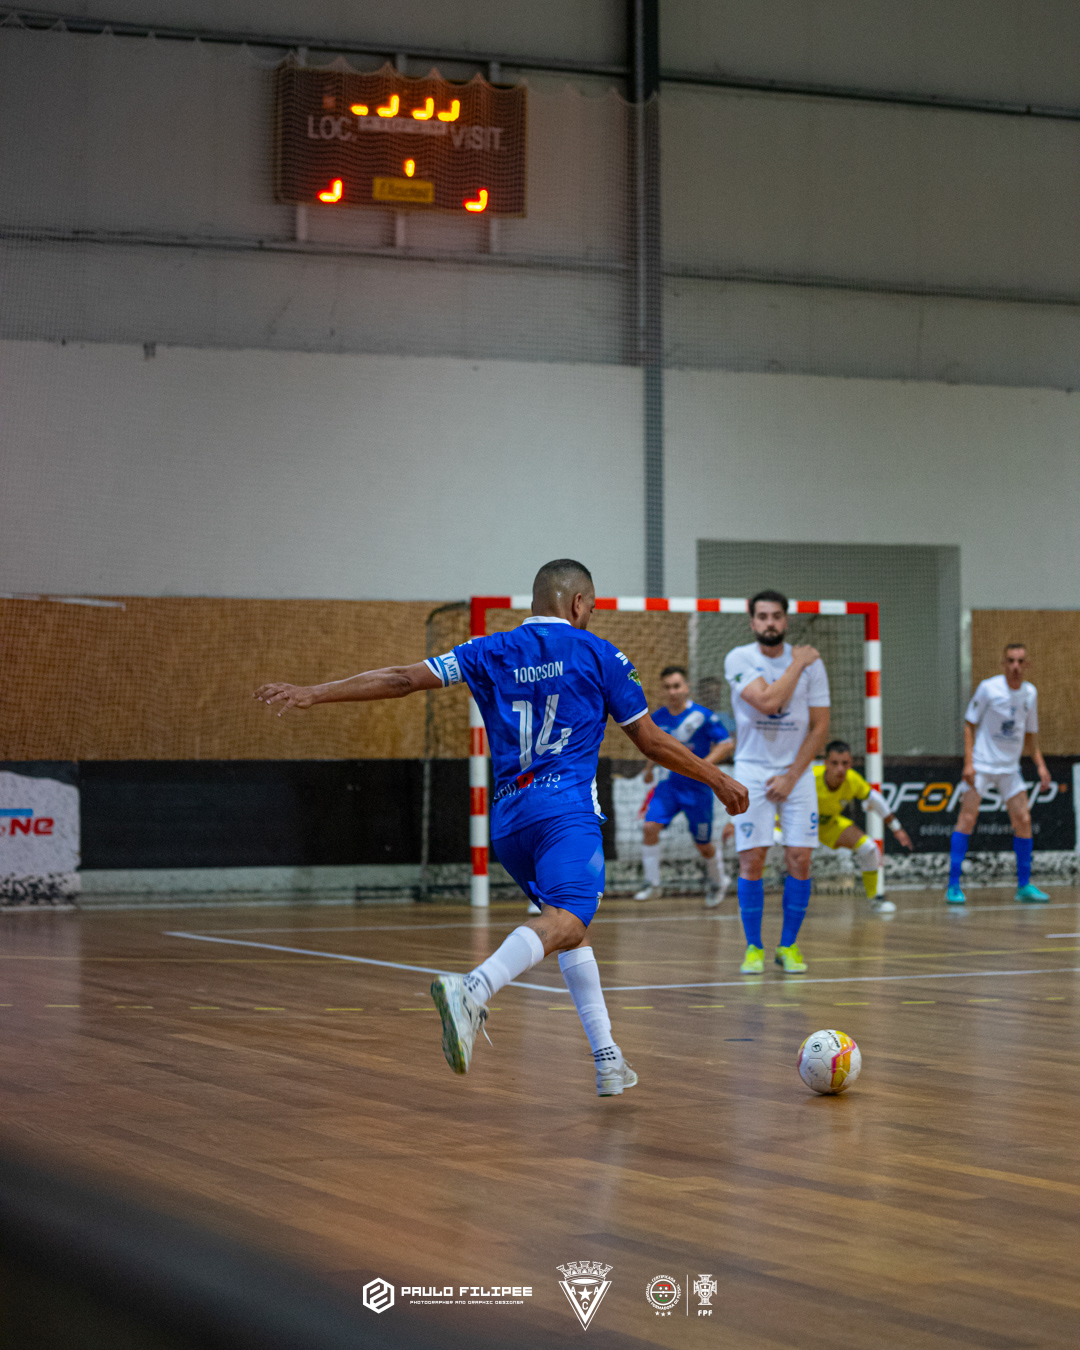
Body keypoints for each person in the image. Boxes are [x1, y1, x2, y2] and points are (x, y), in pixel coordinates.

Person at [254, 559, 747, 1095]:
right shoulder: (600, 653)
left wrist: (314, 692)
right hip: (565, 814)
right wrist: (717, 777)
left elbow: (401, 679)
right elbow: (649, 740)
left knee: (569, 928)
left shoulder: (488, 650)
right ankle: (473, 988)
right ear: (578, 603)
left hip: (511, 824)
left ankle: (608, 1059)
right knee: (568, 918)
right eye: (592, 605)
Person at [724, 590, 830, 975]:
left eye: (776, 616)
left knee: (800, 857)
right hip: (751, 770)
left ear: (786, 620)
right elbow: (767, 702)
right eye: (763, 616)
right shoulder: (739, 658)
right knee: (752, 858)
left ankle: (789, 945)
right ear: (752, 622)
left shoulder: (814, 665)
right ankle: (753, 947)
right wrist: (797, 663)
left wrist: (790, 776)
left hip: (796, 774)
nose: (770, 623)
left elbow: (820, 726)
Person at [946, 643, 1052, 905]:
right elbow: (969, 724)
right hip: (981, 765)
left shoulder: (1030, 693)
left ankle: (1024, 886)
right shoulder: (988, 688)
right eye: (1011, 661)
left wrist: (1040, 765)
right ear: (1003, 663)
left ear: (1027, 665)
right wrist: (968, 763)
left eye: (1020, 661)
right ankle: (953, 886)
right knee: (967, 818)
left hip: (1010, 769)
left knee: (1023, 820)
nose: (1015, 666)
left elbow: (1031, 735)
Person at [635, 665, 734, 906]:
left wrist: (703, 766)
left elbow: (726, 743)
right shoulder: (657, 718)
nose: (672, 691)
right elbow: (654, 747)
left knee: (703, 845)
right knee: (649, 827)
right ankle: (652, 884)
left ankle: (719, 881)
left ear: (687, 687)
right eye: (667, 687)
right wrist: (648, 770)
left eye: (677, 686)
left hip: (697, 790)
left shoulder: (703, 716)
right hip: (669, 786)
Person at [814, 739, 912, 914]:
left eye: (845, 763)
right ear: (826, 763)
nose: (840, 769)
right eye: (835, 763)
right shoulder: (811, 777)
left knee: (869, 848)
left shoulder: (853, 780)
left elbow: (875, 800)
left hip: (829, 824)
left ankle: (874, 898)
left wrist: (896, 828)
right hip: (798, 824)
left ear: (851, 763)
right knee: (773, 843)